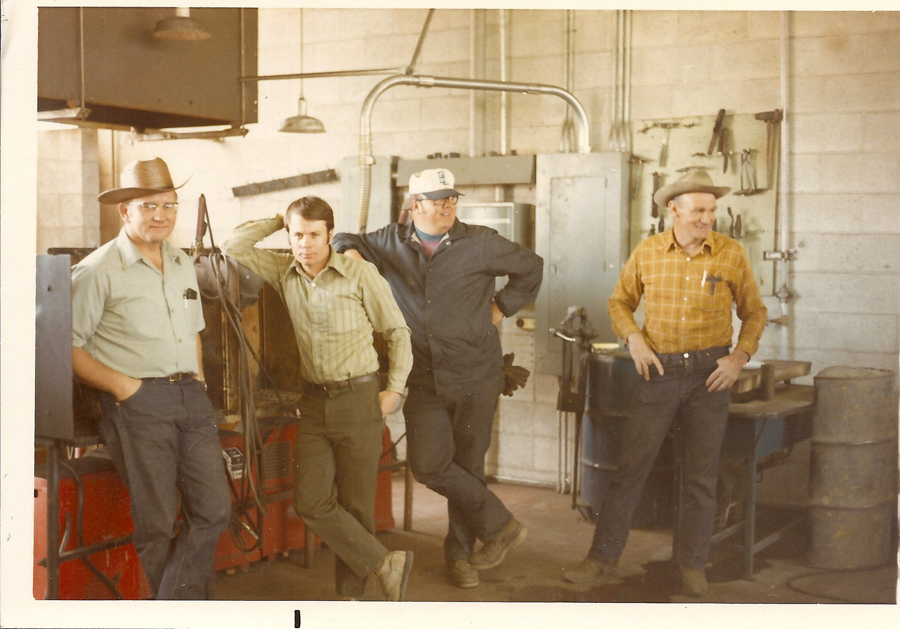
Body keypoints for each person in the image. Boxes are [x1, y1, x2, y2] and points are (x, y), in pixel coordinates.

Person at [332, 168, 543, 589]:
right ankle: (499, 523)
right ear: (415, 205)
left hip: (476, 375)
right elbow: (345, 239)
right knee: (429, 465)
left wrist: (502, 306)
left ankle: (461, 556)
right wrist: (349, 254)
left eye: (452, 199)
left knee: (468, 465)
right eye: (438, 199)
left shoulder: (480, 241)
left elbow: (531, 266)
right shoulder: (389, 241)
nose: (448, 205)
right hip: (423, 377)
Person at [562, 169, 767, 597]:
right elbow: (618, 302)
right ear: (673, 210)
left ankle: (692, 565)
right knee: (630, 470)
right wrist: (634, 339)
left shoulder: (731, 254)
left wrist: (738, 357)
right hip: (659, 372)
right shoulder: (649, 252)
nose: (707, 218)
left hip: (710, 375)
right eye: (698, 210)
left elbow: (755, 312)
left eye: (711, 210)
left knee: (700, 476)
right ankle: (601, 559)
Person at [221, 197, 414, 601]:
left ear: (330, 234)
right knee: (310, 503)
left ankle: (350, 600)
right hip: (314, 401)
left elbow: (398, 332)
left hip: (359, 397)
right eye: (297, 234)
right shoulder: (282, 271)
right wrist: (278, 218)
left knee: (357, 507)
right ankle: (384, 563)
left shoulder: (360, 274)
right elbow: (234, 247)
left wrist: (393, 389)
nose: (305, 243)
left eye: (313, 234)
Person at [71, 158, 231, 599]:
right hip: (139, 405)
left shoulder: (181, 263)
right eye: (149, 206)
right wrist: (127, 388)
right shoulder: (97, 270)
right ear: (125, 211)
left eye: (169, 205)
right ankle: (183, 612)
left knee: (215, 509)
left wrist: (196, 378)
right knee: (157, 521)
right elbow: (66, 349)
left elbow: (193, 330)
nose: (161, 215)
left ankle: (169, 610)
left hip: (189, 398)